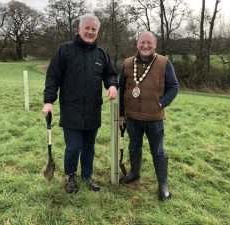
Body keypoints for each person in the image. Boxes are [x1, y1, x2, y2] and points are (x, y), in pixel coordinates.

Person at [43, 14, 118, 193]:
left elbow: (110, 74)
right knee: (74, 146)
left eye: (94, 29)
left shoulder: (101, 53)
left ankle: (87, 176)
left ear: (97, 33)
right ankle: (70, 175)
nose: (90, 32)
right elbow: (53, 76)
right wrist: (48, 101)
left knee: (89, 147)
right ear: (79, 29)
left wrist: (113, 85)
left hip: (93, 109)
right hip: (71, 108)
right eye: (87, 28)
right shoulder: (65, 50)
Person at [119, 31, 179, 201]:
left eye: (149, 43)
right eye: (142, 42)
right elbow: (122, 89)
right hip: (132, 118)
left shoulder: (164, 63)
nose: (145, 46)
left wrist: (161, 103)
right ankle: (134, 174)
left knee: (158, 151)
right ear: (137, 44)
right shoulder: (127, 63)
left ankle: (163, 185)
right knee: (133, 147)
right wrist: (122, 114)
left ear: (155, 45)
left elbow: (174, 87)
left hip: (155, 118)